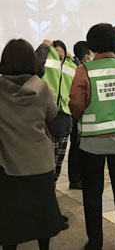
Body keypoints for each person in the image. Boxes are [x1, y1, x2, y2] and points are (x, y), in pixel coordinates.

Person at [69, 23, 115, 250]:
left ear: (91, 45)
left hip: (92, 144)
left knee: (92, 194)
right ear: (113, 41)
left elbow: (76, 105)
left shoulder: (84, 70)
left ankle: (96, 242)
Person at [0, 39, 64, 250]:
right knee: (42, 215)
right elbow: (52, 114)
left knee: (9, 218)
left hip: (8, 165)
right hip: (40, 163)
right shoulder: (42, 87)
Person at [36, 40, 77, 186]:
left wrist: (74, 59)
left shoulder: (70, 66)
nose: (59, 58)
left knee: (58, 162)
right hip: (46, 118)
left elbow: (81, 74)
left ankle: (50, 188)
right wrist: (44, 47)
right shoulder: (44, 63)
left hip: (65, 119)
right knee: (47, 163)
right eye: (56, 55)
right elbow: (35, 67)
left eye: (62, 56)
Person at [68, 41, 94, 190]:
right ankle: (76, 179)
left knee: (76, 146)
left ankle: (76, 178)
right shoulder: (80, 70)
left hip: (74, 113)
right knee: (77, 147)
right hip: (78, 114)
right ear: (86, 56)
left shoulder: (74, 67)